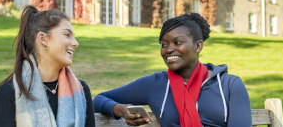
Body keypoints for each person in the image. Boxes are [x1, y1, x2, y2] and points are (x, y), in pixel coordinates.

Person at [93, 13, 252, 127]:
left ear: (198, 46)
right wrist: (121, 109)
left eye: (178, 42)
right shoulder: (155, 84)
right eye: (164, 44)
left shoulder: (229, 85)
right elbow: (98, 99)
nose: (168, 49)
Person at [0, 5, 95, 127]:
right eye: (67, 35)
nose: (75, 43)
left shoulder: (80, 90)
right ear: (43, 39)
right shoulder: (8, 93)